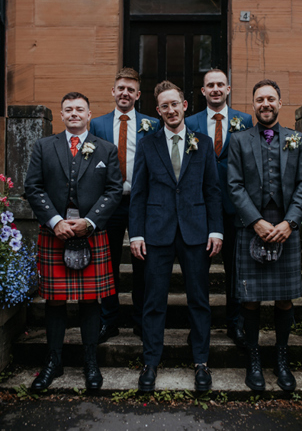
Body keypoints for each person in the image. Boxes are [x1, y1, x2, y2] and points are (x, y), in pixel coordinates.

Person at [25, 92, 123, 391]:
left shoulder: (106, 149)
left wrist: (90, 222)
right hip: (54, 233)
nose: (74, 113)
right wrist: (54, 222)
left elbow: (113, 190)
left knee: (91, 301)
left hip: (90, 233)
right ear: (62, 114)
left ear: (90, 114)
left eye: (80, 109)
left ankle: (90, 362)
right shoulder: (44, 146)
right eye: (68, 109)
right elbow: (33, 186)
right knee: (54, 302)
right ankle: (53, 362)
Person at [129, 81, 223, 392]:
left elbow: (212, 190)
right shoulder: (148, 144)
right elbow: (139, 194)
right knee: (154, 301)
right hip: (157, 231)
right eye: (164, 106)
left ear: (185, 105)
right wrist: (137, 234)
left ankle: (201, 363)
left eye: (175, 104)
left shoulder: (203, 143)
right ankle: (151, 362)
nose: (170, 110)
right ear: (158, 111)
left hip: (195, 231)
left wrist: (215, 229)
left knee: (199, 300)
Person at [227, 79, 302, 392]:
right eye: (260, 99)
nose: (265, 104)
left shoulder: (296, 139)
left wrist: (290, 222)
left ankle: (282, 359)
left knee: (285, 299)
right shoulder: (238, 140)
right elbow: (233, 185)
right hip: (253, 226)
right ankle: (254, 361)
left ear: (279, 103)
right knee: (250, 300)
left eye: (271, 99)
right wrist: (256, 221)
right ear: (253, 105)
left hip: (285, 226)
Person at [89, 67, 161, 343]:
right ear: (113, 91)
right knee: (108, 264)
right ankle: (109, 321)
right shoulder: (98, 124)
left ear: (138, 95)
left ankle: (141, 320)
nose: (125, 93)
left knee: (144, 262)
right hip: (109, 203)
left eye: (131, 90)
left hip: (141, 202)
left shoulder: (151, 124)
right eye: (121, 88)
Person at [185, 68, 253, 347]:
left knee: (234, 270)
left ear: (228, 89)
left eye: (220, 85)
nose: (215, 89)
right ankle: (199, 327)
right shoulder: (190, 122)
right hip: (199, 207)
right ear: (203, 91)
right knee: (197, 272)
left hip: (234, 207)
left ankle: (234, 323)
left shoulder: (245, 120)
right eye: (210, 85)